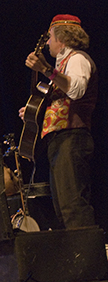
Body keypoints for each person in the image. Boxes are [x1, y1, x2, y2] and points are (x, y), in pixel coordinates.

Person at [19, 14, 98, 229]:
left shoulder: (77, 59)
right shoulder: (62, 67)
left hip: (72, 138)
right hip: (60, 141)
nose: (47, 42)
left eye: (50, 36)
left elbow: (76, 90)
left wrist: (45, 69)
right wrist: (34, 111)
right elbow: (61, 99)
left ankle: (87, 261)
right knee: (63, 209)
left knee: (73, 206)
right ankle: (77, 257)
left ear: (62, 38)